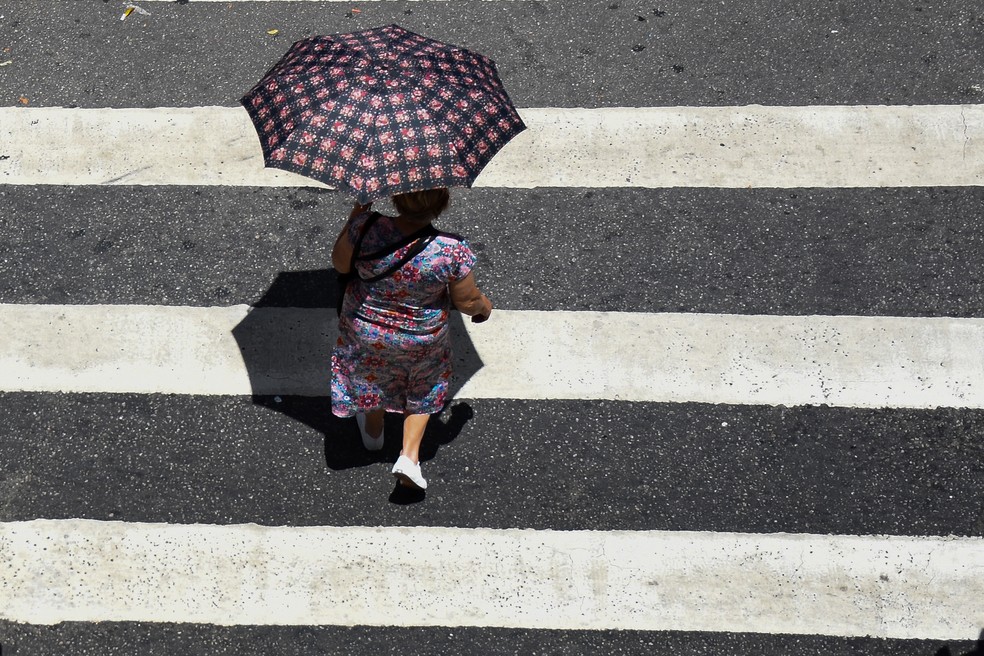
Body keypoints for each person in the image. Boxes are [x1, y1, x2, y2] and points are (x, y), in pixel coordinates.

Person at [331, 188, 492, 490]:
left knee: (371, 375)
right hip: (421, 336)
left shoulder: (366, 227)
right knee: (424, 383)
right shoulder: (450, 249)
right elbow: (468, 302)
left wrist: (359, 211)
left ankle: (374, 431)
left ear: (396, 197)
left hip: (367, 328)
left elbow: (341, 265)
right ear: (442, 203)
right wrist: (484, 306)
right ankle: (409, 456)